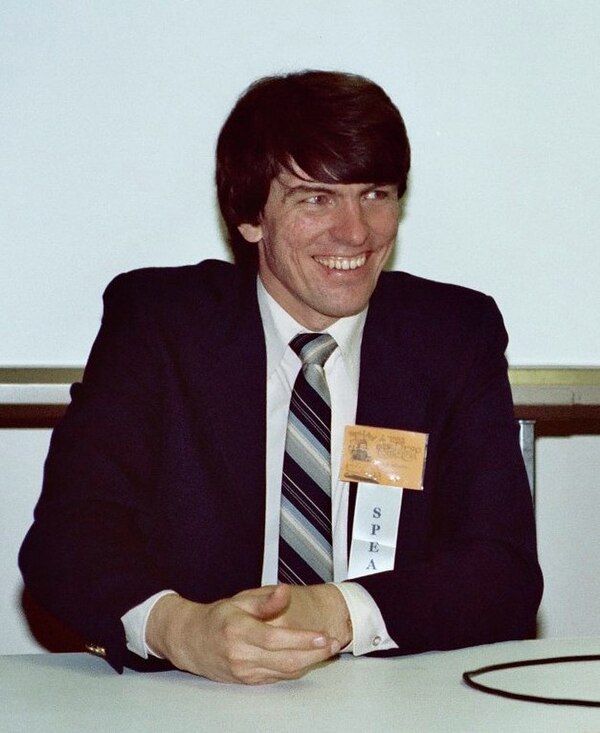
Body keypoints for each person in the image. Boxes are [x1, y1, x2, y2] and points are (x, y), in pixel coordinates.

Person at [19, 70, 542, 685]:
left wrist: (337, 608)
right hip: (193, 701)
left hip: (394, 698)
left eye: (375, 193)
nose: (355, 232)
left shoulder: (452, 334)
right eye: (315, 198)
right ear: (250, 218)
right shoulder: (159, 324)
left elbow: (504, 570)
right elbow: (68, 537)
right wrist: (182, 630)